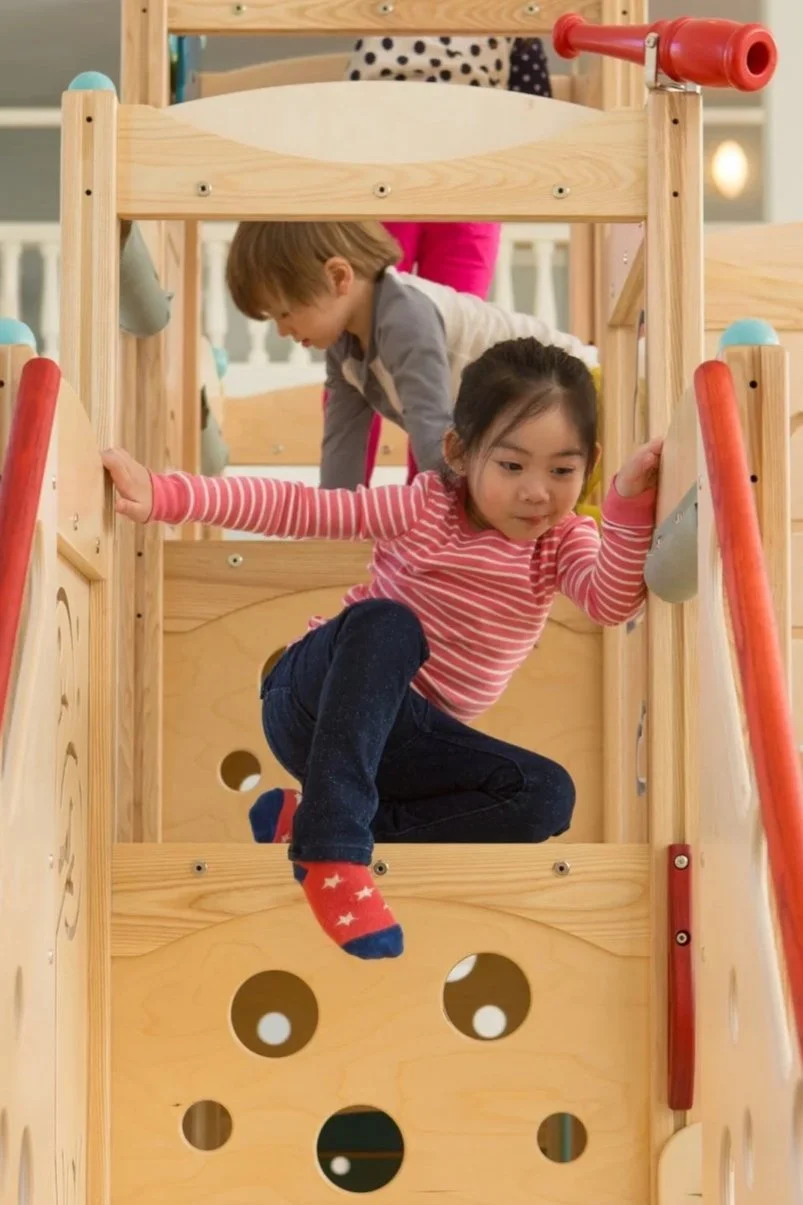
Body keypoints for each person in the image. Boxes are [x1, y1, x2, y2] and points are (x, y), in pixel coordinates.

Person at [102, 338, 661, 962]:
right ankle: (331, 850)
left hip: (399, 749)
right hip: (316, 701)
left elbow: (613, 601)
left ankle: (311, 822)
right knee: (390, 624)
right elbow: (301, 509)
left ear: (590, 464)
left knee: (547, 795)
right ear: (458, 450)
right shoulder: (427, 508)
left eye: (562, 470)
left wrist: (629, 502)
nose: (537, 491)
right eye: (511, 466)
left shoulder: (562, 542)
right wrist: (164, 497)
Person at [225, 219, 599, 493]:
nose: (282, 330)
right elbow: (342, 442)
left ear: (339, 277)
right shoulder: (344, 346)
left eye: (285, 312)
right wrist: (333, 531)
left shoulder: (404, 315)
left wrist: (439, 531)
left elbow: (433, 434)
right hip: (532, 415)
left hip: (581, 386)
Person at [345, 34, 556, 485]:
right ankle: (346, 500)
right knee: (360, 329)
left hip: (470, 171)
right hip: (383, 159)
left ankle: (432, 503)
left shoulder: (502, 21)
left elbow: (533, 91)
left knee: (453, 346)